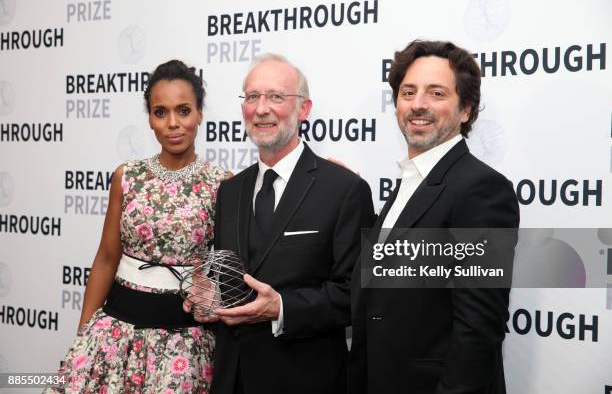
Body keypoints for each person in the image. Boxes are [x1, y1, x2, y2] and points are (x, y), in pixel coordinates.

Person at [186, 53, 375, 394]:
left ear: (303, 109)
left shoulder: (344, 189)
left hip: (305, 379)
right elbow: (231, 276)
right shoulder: (230, 191)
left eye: (276, 97)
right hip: (232, 379)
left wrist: (283, 308)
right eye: (252, 97)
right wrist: (209, 295)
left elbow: (355, 294)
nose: (261, 109)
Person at [348, 40, 520, 394]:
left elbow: (478, 329)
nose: (418, 104)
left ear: (466, 110)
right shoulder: (406, 185)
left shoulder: (482, 189)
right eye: (408, 92)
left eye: (436, 93)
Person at [46, 60, 228, 394]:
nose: (173, 124)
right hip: (116, 332)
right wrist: (84, 336)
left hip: (184, 344)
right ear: (150, 119)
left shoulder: (222, 184)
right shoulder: (126, 176)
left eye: (184, 110)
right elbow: (106, 258)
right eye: (161, 112)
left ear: (200, 114)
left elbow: (230, 270)